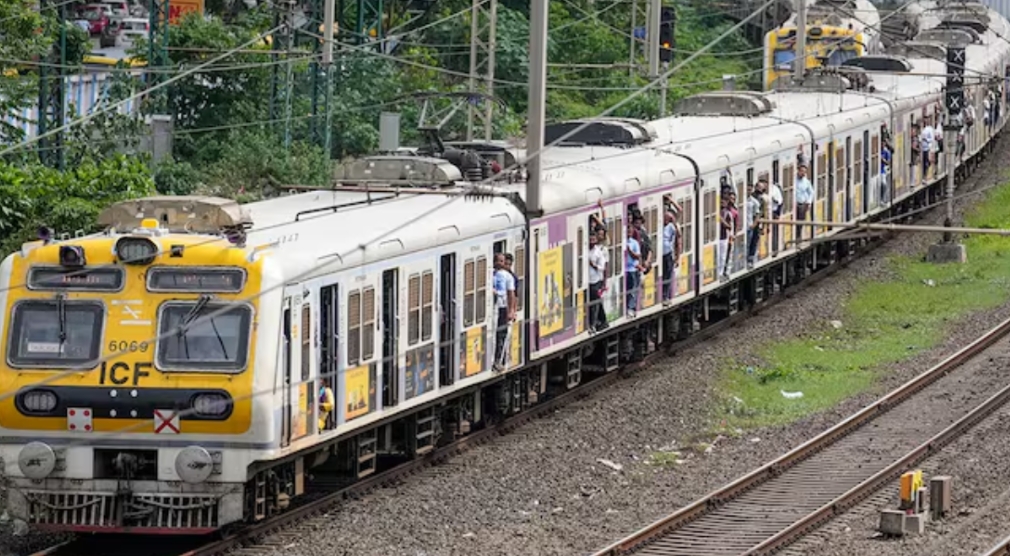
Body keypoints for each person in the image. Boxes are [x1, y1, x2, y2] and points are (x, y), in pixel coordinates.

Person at [492, 253, 516, 372]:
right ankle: (494, 360)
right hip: (492, 310)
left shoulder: (508, 276)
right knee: (493, 335)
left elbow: (511, 294)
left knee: (501, 334)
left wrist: (511, 311)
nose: (499, 263)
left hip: (502, 307)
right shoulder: (491, 274)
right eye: (497, 261)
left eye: (501, 261)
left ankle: (499, 360)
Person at [588, 228, 608, 332]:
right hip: (587, 281)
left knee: (594, 304)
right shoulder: (585, 250)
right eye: (590, 240)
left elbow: (603, 267)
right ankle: (603, 321)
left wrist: (593, 265)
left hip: (596, 280)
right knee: (593, 303)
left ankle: (593, 324)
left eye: (593, 240)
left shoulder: (598, 252)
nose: (592, 242)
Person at [662, 209, 680, 301]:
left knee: (668, 274)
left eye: (668, 219)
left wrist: (677, 257)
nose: (665, 220)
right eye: (665, 218)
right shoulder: (659, 227)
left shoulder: (671, 227)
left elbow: (678, 238)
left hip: (668, 254)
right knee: (663, 274)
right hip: (661, 254)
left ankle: (665, 295)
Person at [625, 227, 642, 318]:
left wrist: (629, 250)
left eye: (630, 232)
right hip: (624, 270)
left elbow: (637, 256)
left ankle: (631, 308)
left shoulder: (634, 243)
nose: (629, 233)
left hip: (632, 269)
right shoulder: (622, 242)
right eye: (627, 231)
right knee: (626, 290)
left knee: (632, 290)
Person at [794, 164, 813, 243]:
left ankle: (798, 237)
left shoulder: (806, 182)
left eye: (804, 172)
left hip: (802, 204)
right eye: (801, 171)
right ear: (798, 171)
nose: (803, 173)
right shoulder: (794, 180)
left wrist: (808, 202)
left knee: (800, 221)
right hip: (794, 205)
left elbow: (811, 192)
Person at [746, 182, 763, 267]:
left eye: (749, 190)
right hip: (742, 226)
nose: (748, 191)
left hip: (749, 226)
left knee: (750, 243)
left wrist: (754, 225)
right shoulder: (742, 200)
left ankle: (749, 260)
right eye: (747, 189)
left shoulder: (754, 202)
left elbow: (757, 214)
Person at [769, 178, 783, 255]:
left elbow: (780, 202)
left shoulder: (775, 189)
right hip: (765, 213)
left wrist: (778, 214)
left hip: (774, 212)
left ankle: (774, 249)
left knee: (774, 231)